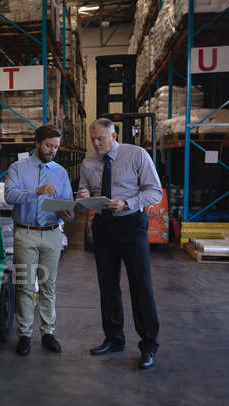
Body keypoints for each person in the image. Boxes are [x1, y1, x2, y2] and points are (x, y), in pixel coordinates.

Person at [77, 118, 162, 370]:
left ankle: (148, 345)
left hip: (131, 224)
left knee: (140, 285)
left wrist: (127, 203)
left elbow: (154, 191)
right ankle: (114, 338)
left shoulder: (136, 155)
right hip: (103, 226)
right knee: (108, 285)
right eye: (92, 139)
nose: (95, 143)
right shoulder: (88, 162)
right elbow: (86, 194)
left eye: (100, 139)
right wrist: (83, 197)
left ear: (114, 136)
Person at [4, 124, 74, 356]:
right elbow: (10, 195)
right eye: (48, 145)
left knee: (48, 285)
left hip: (53, 232)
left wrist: (67, 212)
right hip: (26, 233)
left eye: (55, 147)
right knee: (25, 285)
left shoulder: (61, 172)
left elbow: (69, 206)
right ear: (37, 143)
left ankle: (48, 332)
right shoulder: (17, 168)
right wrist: (36, 191)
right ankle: (24, 334)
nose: (52, 150)